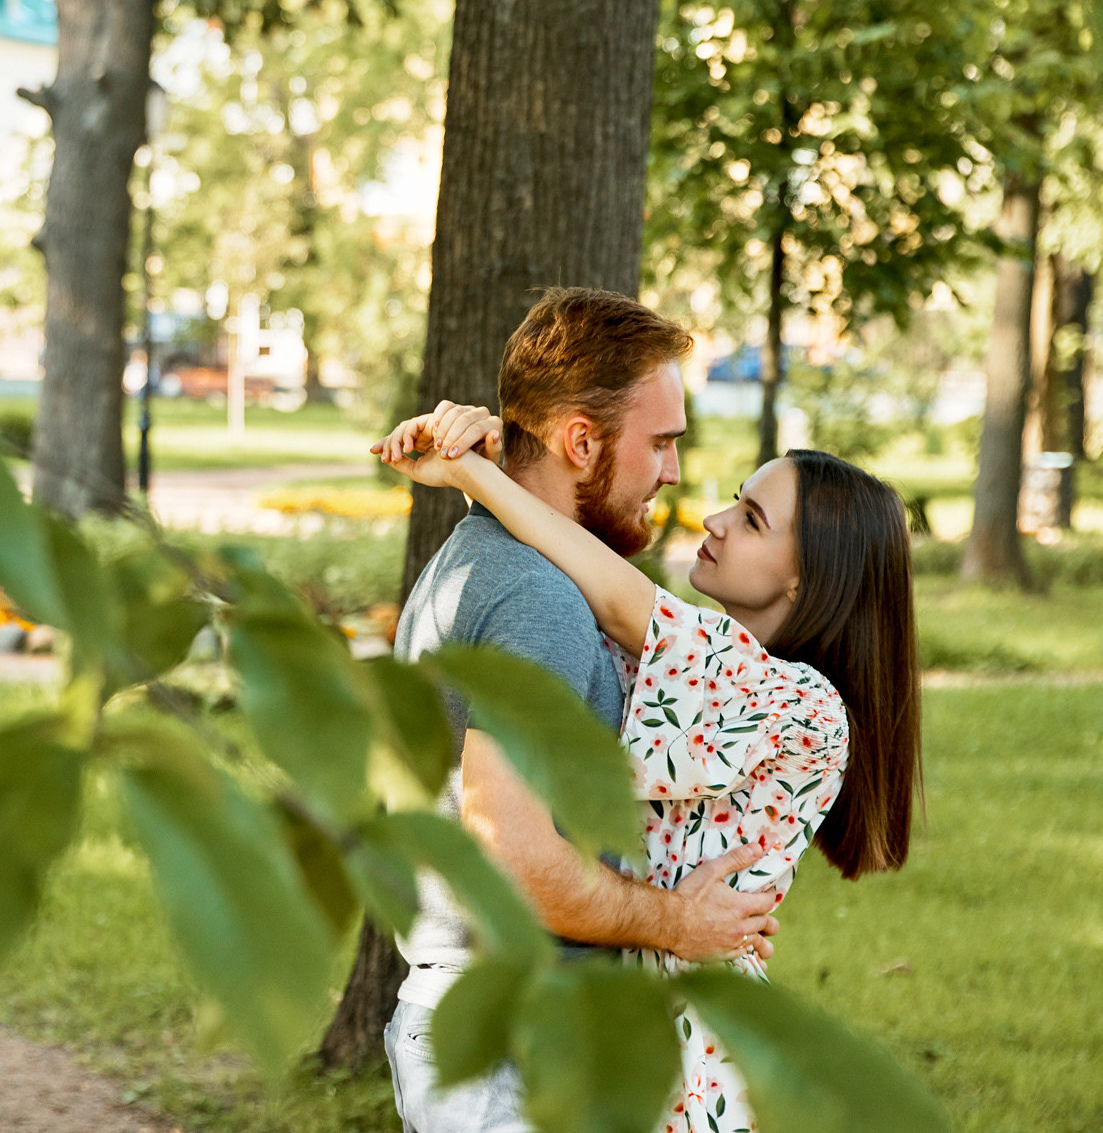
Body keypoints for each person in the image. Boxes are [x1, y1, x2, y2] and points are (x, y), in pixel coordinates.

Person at [380, 397, 921, 1133]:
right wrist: (511, 460)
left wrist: (474, 472)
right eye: (737, 501)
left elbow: (614, 592)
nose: (715, 520)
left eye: (753, 520)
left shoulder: (800, 705)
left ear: (805, 579)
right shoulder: (694, 668)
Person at [373, 289, 783, 1133]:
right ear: (581, 440)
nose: (671, 471)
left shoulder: (491, 560)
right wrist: (682, 922)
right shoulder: (536, 598)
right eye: (661, 443)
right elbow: (514, 856)